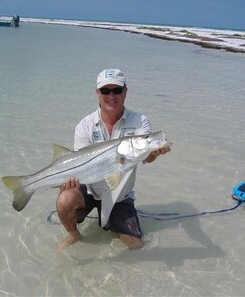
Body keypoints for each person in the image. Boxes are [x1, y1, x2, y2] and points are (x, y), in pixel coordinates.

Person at [56, 69, 170, 251]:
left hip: (120, 197)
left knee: (136, 246)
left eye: (116, 90)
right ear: (97, 93)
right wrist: (66, 184)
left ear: (125, 92)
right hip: (90, 190)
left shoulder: (140, 122)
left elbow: (145, 157)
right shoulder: (84, 126)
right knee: (65, 199)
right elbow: (78, 164)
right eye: (105, 91)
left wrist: (153, 152)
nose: (111, 96)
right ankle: (73, 234)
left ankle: (113, 219)